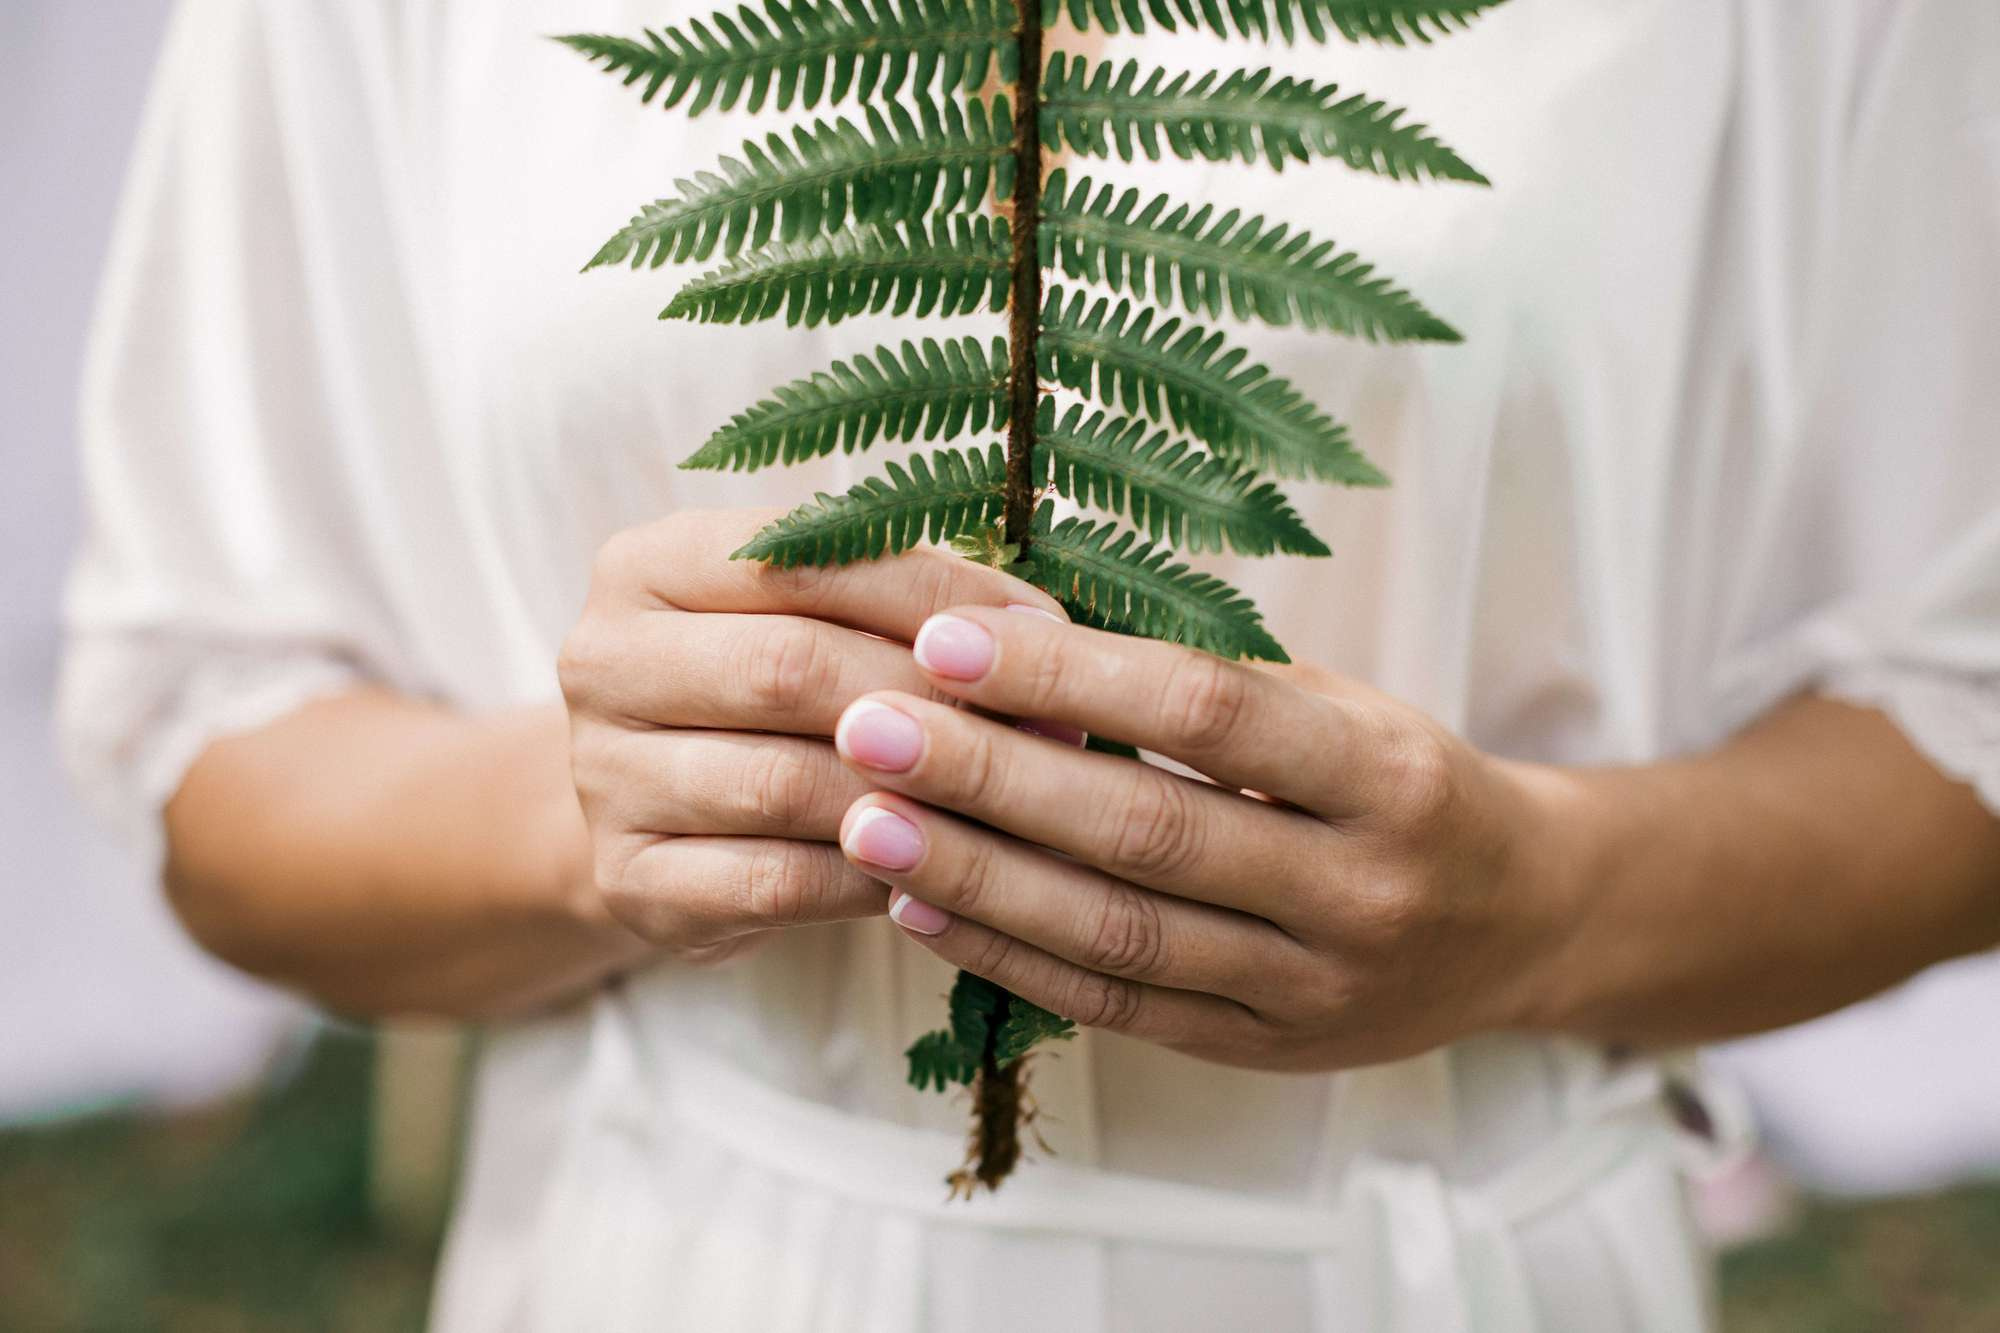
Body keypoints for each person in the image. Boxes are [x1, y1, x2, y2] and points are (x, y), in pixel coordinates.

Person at [60, 1, 2000, 1329]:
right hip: (696, 1262)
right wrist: (599, 812)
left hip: (1432, 1266)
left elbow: (1963, 705)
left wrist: (1546, 903)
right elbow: (221, 762)